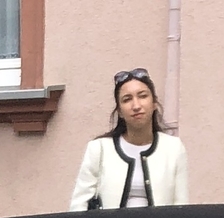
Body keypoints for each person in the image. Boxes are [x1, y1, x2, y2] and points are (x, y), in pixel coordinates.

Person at [68, 68, 189, 210]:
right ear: (119, 111)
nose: (136, 106)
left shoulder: (173, 148)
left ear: (154, 103)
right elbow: (79, 206)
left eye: (143, 96)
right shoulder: (99, 149)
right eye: (127, 99)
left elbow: (181, 207)